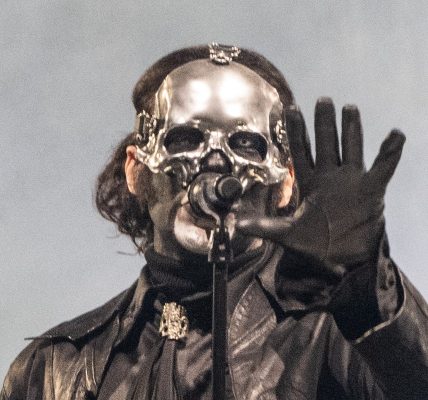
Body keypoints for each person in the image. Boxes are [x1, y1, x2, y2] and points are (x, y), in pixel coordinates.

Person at [2, 43, 428, 400]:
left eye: (246, 144)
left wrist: (368, 296)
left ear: (284, 183)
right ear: (136, 170)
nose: (216, 165)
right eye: (185, 139)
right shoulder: (53, 370)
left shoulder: (341, 336)